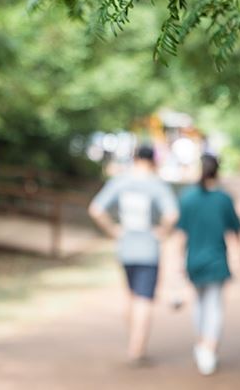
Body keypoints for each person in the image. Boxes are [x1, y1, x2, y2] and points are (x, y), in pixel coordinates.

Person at [88, 143, 179, 366]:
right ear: (153, 160)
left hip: (125, 248)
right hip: (148, 249)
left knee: (130, 295)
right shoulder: (157, 185)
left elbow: (96, 209)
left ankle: (133, 340)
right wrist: (162, 232)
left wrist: (114, 231)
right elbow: (172, 214)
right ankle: (137, 348)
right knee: (144, 298)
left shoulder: (121, 181)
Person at [174, 153, 240, 376]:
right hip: (216, 261)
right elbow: (235, 231)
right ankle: (208, 347)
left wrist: (178, 261)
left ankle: (202, 344)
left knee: (199, 303)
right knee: (213, 306)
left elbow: (180, 234)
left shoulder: (188, 198)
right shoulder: (223, 199)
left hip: (194, 260)